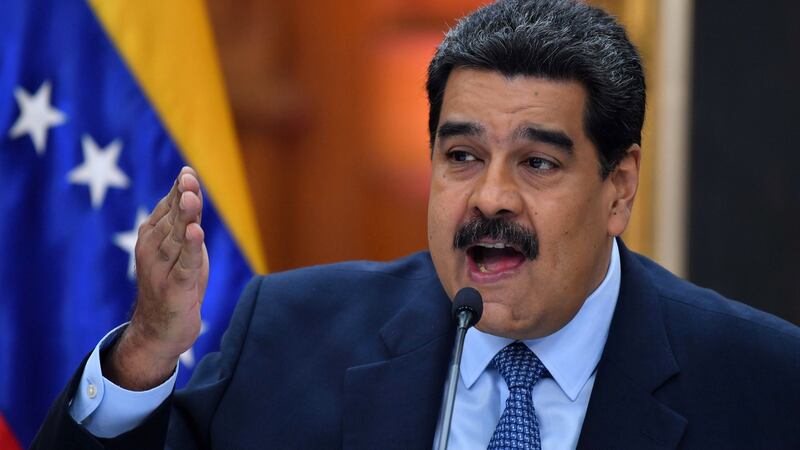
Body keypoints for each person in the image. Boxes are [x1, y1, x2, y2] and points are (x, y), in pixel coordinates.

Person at [33, 0, 800, 448]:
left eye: (537, 163)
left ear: (619, 189)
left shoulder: (763, 383)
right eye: (463, 156)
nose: (490, 198)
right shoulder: (289, 335)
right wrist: (144, 355)